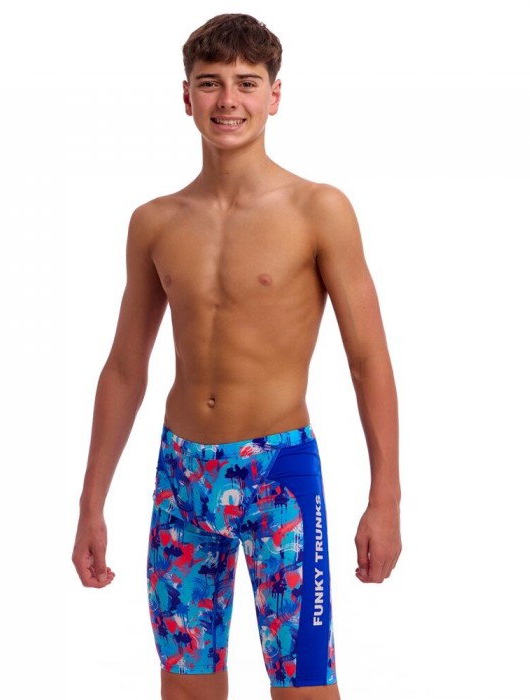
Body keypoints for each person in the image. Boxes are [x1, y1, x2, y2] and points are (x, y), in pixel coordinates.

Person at [72, 13, 401, 700]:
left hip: (278, 478)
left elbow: (368, 361)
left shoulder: (318, 210)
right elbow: (126, 368)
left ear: (274, 96)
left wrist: (386, 498)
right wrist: (91, 502)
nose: (228, 100)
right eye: (210, 83)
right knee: (187, 687)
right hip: (181, 478)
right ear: (186, 95)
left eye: (247, 83)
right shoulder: (155, 222)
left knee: (305, 687)